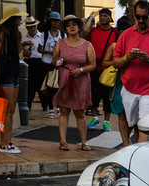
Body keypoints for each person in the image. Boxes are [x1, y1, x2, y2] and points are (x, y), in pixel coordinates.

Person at [112, 1, 149, 143]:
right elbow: (115, 62)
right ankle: (127, 145)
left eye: (144, 17)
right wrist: (126, 58)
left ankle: (139, 153)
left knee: (145, 123)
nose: (141, 20)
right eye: (138, 17)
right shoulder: (125, 35)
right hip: (129, 87)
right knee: (130, 121)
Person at [52, 14, 96, 151]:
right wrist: (58, 62)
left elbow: (93, 65)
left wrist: (81, 70)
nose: (71, 26)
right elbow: (54, 61)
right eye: (68, 25)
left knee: (79, 112)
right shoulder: (61, 42)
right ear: (65, 28)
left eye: (74, 24)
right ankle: (63, 141)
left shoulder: (87, 45)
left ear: (78, 27)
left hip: (81, 80)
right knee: (64, 110)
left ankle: (84, 142)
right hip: (65, 79)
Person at [0, 5, 28, 153]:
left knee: (11, 110)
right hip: (5, 74)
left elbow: (14, 53)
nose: (21, 19)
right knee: (7, 111)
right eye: (19, 17)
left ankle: (8, 142)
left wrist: (23, 47)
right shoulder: (1, 33)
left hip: (14, 72)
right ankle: (3, 144)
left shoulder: (14, 34)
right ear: (12, 19)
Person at [86, 8, 119, 131]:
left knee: (107, 96)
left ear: (110, 18)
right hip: (94, 68)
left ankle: (106, 122)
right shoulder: (93, 31)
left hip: (108, 70)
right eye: (101, 15)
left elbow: (118, 50)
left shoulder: (115, 33)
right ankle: (94, 118)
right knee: (94, 95)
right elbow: (87, 43)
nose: (102, 18)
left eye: (105, 16)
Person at [102, 17, 133, 146]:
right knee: (121, 113)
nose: (123, 33)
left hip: (132, 83)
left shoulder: (135, 46)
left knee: (132, 114)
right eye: (121, 30)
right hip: (118, 83)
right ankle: (125, 141)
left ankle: (127, 139)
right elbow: (104, 63)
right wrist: (117, 62)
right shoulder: (114, 46)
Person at [37, 11, 63, 118]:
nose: (55, 23)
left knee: (58, 86)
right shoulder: (44, 34)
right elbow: (39, 49)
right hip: (47, 63)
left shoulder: (63, 34)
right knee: (48, 86)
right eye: (53, 21)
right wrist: (50, 53)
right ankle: (51, 108)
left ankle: (58, 106)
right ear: (50, 21)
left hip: (59, 63)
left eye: (57, 21)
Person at [22, 16, 47, 111]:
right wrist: (24, 53)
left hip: (41, 63)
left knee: (42, 86)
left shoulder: (42, 36)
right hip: (30, 62)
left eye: (34, 26)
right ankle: (28, 106)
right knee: (30, 86)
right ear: (27, 28)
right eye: (30, 27)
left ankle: (45, 105)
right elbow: (21, 52)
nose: (33, 28)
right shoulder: (23, 38)